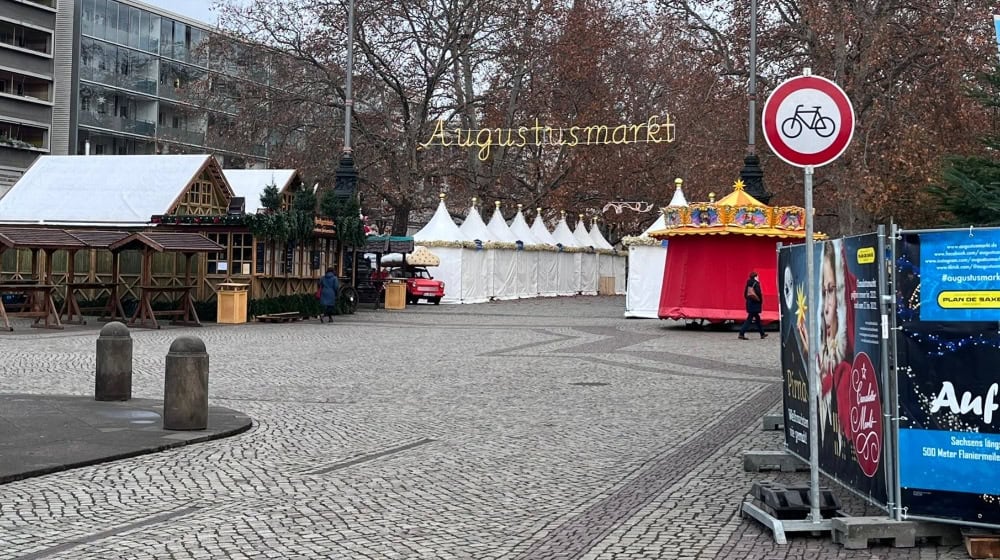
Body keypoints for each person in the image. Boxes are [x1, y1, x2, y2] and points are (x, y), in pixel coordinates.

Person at [738, 271, 768, 340]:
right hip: (755, 304)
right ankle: (741, 333)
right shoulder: (756, 284)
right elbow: (759, 294)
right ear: (755, 277)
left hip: (750, 303)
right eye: (757, 276)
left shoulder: (748, 284)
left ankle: (762, 333)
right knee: (749, 319)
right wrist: (760, 301)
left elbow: (745, 294)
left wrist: (749, 300)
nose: (758, 277)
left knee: (757, 319)